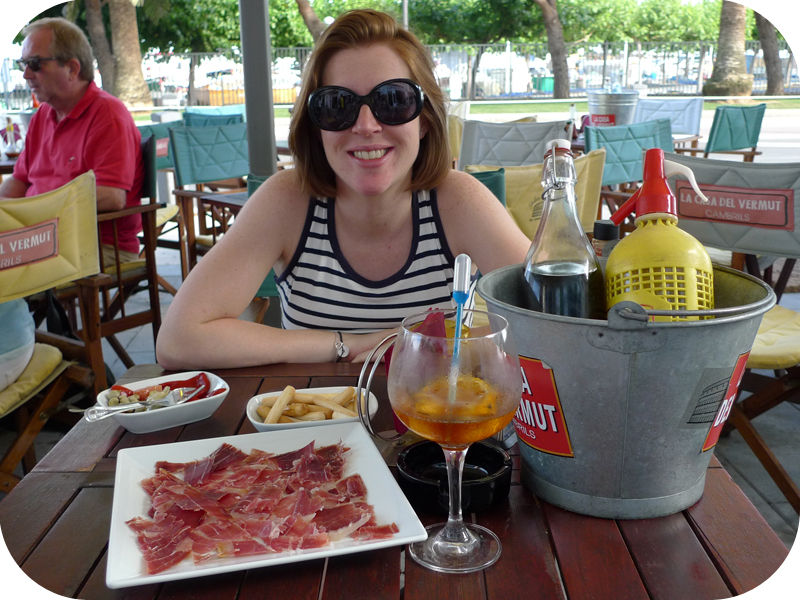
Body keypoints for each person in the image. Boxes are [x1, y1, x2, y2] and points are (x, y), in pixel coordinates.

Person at [156, 9, 530, 368]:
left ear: (425, 120)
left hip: (435, 410)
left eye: (393, 100)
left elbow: (551, 319)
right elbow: (178, 339)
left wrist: (426, 344)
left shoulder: (458, 201)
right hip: (313, 411)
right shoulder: (286, 201)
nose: (366, 125)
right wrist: (346, 344)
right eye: (337, 105)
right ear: (315, 126)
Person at [0, 17, 143, 265]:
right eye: (23, 64)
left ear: (72, 68)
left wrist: (32, 212)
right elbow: (19, 181)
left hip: (95, 247)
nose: (26, 74)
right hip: (39, 239)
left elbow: (111, 196)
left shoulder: (107, 114)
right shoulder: (43, 116)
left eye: (35, 64)